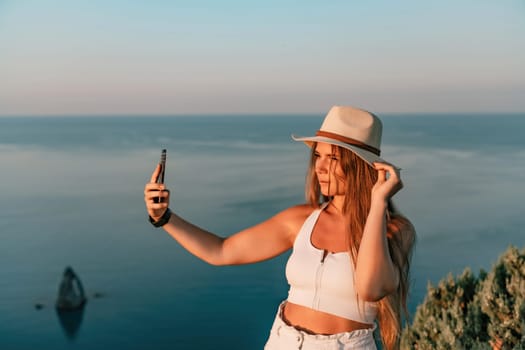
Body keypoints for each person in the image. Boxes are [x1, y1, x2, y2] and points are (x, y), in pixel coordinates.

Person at [144, 106, 416, 350]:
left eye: (332, 159)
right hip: (283, 341)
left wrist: (378, 201)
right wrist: (164, 216)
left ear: (358, 165)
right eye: (317, 156)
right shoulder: (300, 219)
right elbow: (221, 251)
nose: (319, 167)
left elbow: (371, 288)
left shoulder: (395, 230)